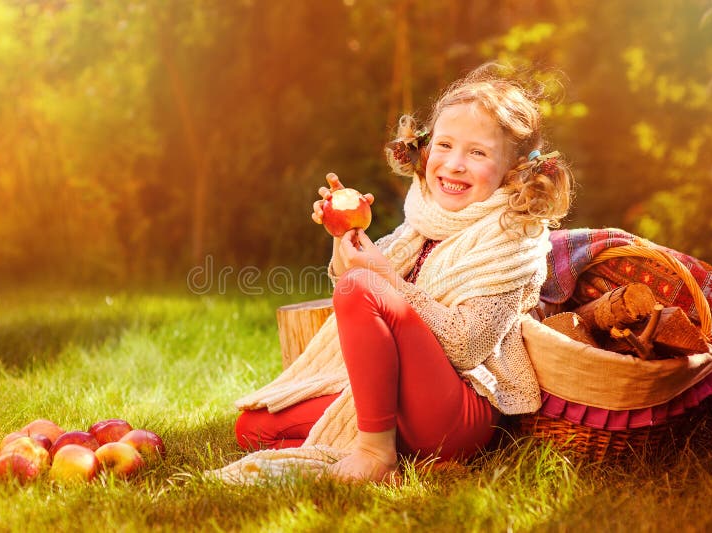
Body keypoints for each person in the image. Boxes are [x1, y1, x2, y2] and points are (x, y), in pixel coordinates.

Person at [231, 63, 573, 482]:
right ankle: (383, 443)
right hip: (403, 399)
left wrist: (386, 281)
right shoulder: (423, 221)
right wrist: (346, 237)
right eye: (445, 145)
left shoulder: (514, 240)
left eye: (477, 152)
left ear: (514, 169)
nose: (454, 164)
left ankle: (376, 454)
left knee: (365, 286)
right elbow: (355, 292)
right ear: (426, 150)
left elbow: (466, 345)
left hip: (458, 410)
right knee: (252, 429)